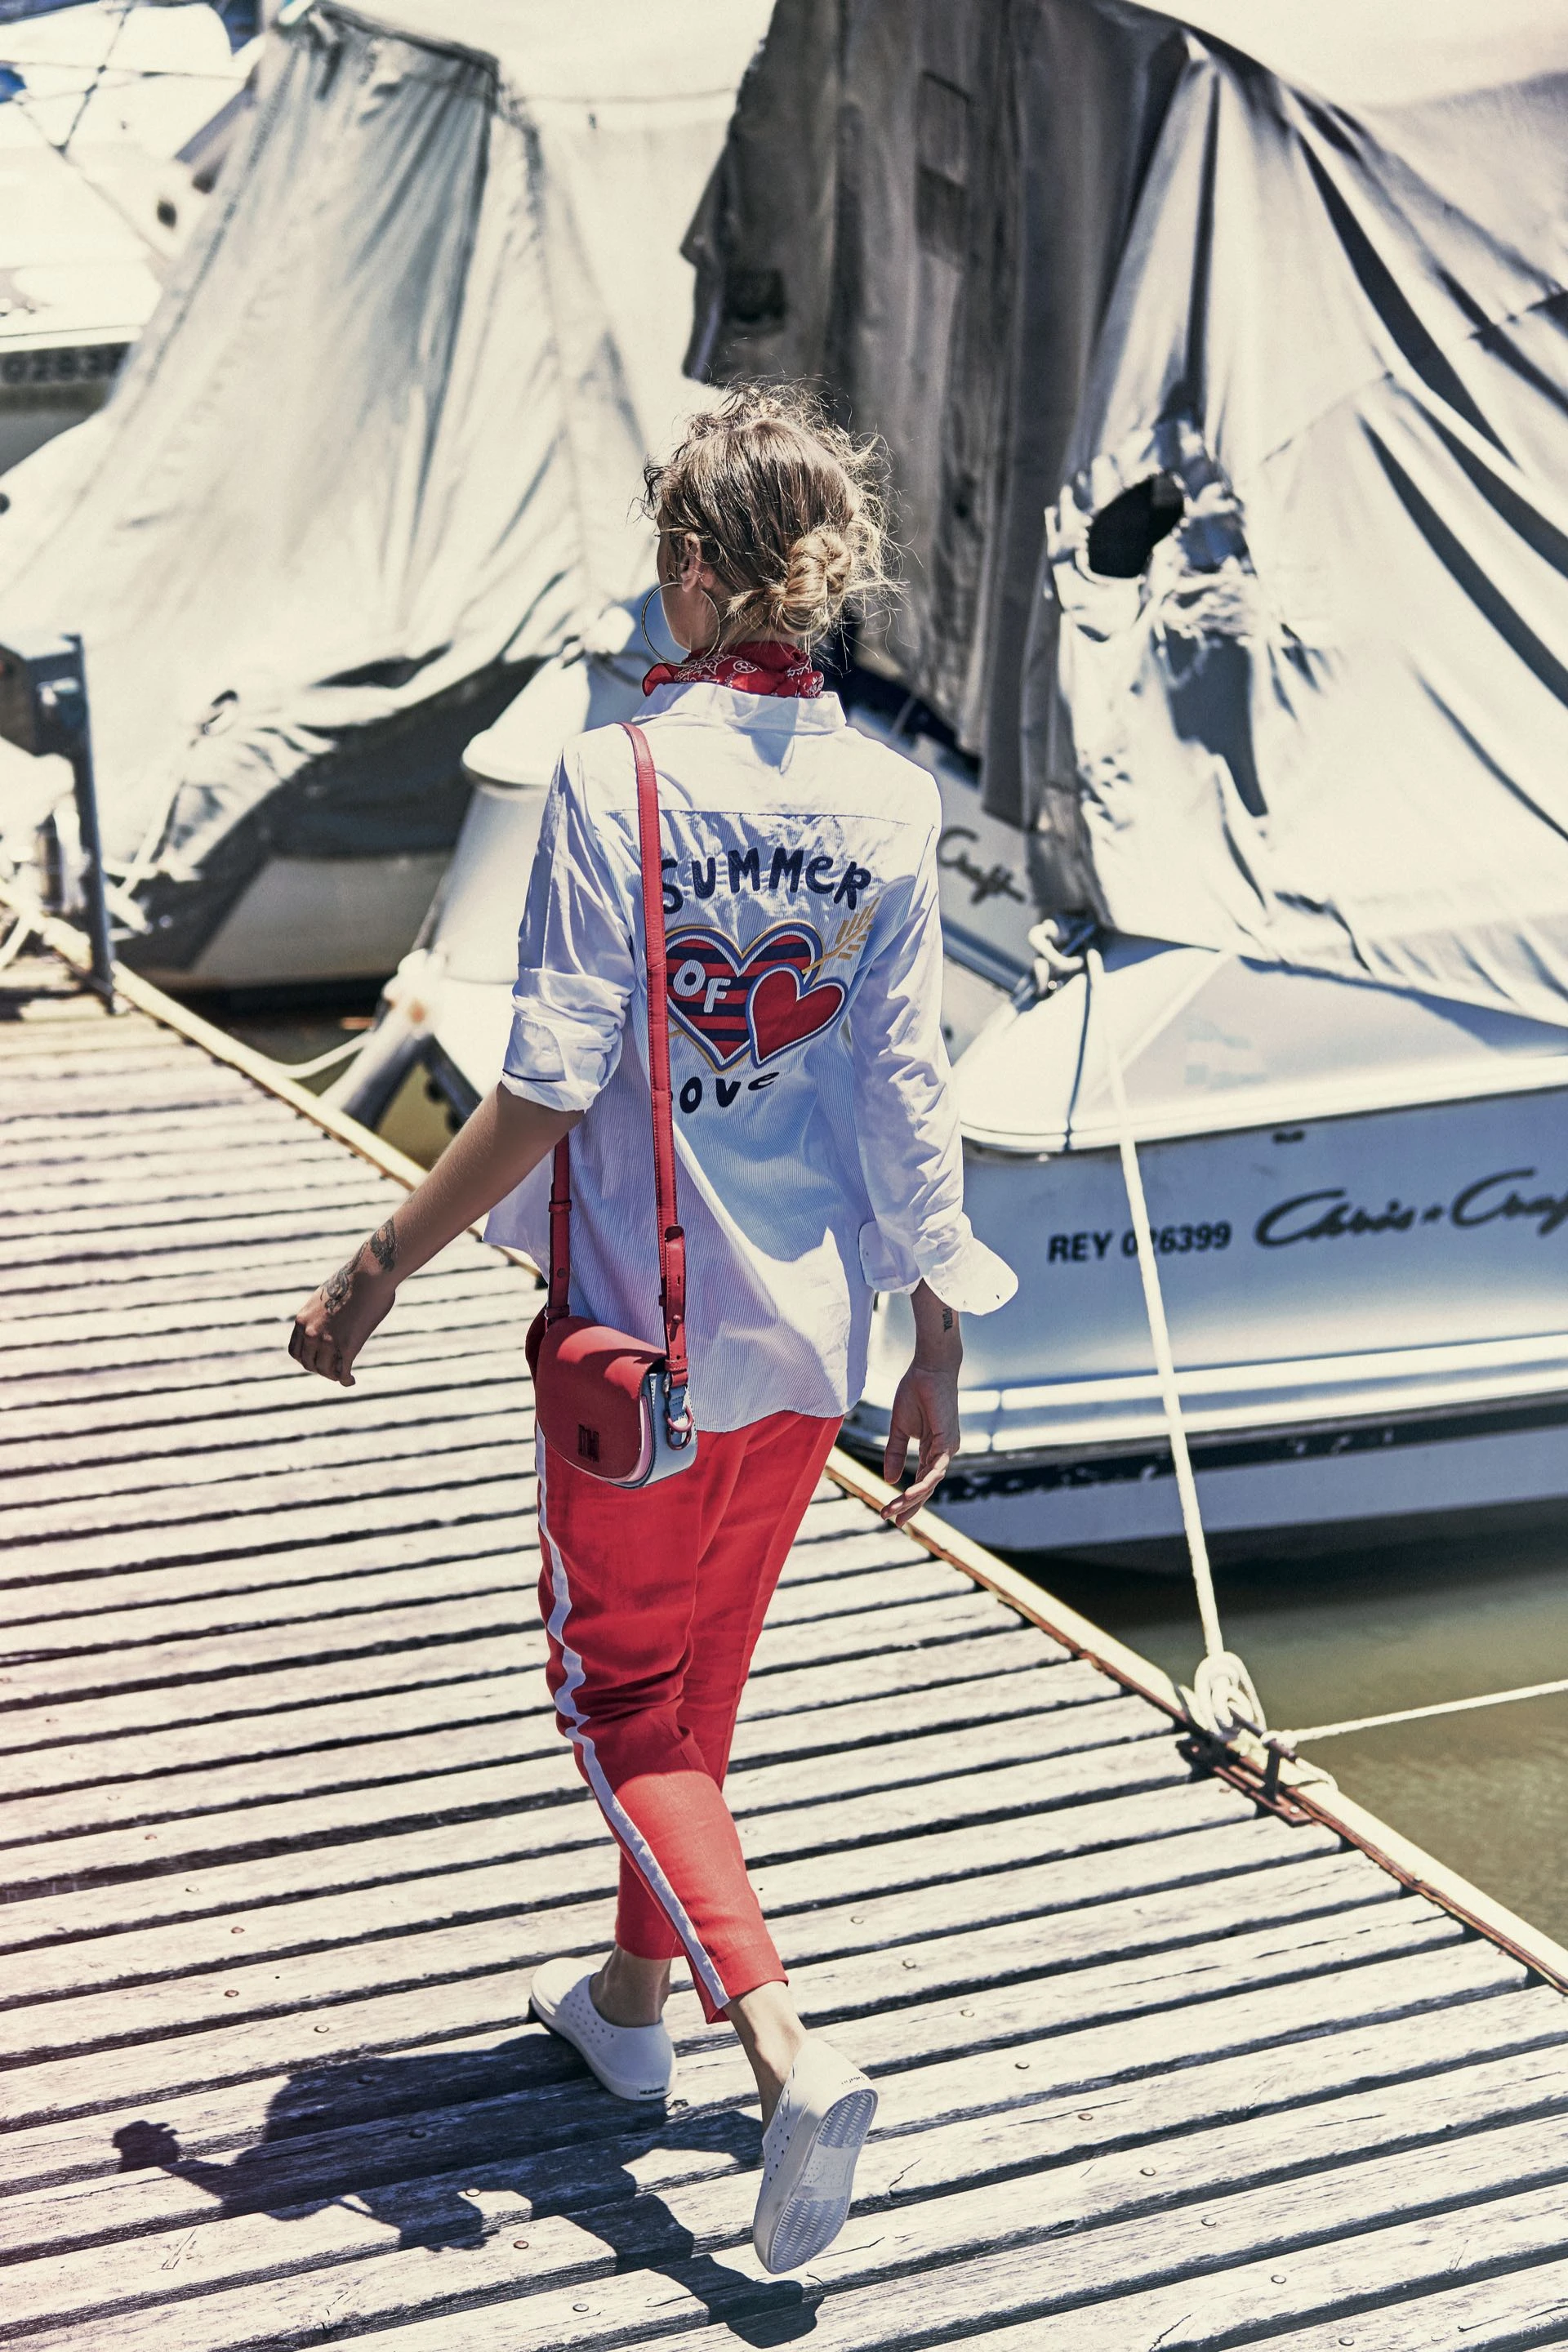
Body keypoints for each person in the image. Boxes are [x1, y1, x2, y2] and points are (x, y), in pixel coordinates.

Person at [289, 385, 1016, 2274]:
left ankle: (782, 2053)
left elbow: (544, 1093)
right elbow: (905, 1091)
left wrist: (376, 1269)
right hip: (813, 1341)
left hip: (643, 1350)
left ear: (693, 567)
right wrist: (937, 1331)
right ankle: (630, 2009)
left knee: (616, 1707)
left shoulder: (617, 777)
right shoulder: (885, 795)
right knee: (693, 1707)